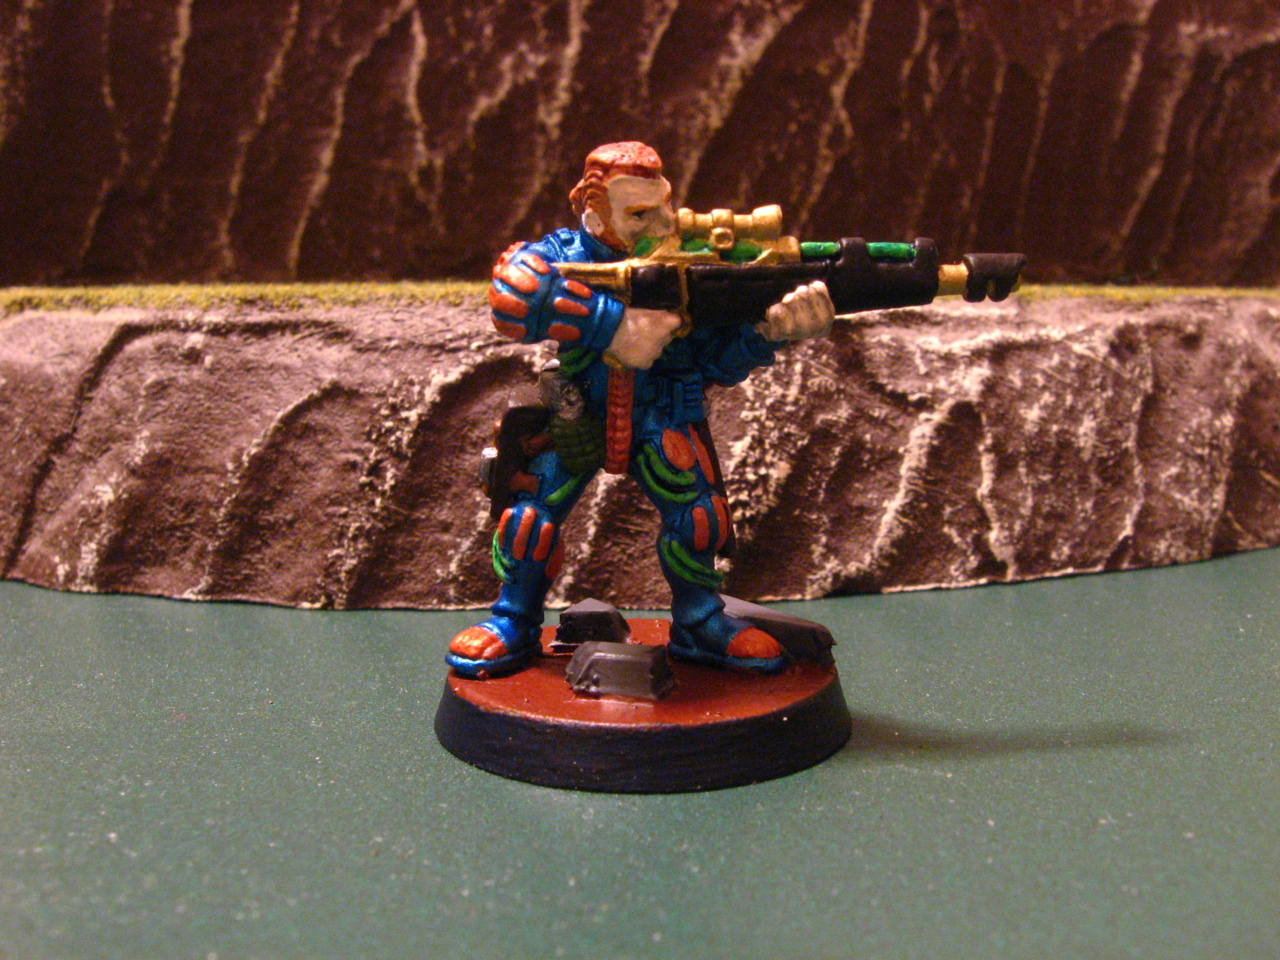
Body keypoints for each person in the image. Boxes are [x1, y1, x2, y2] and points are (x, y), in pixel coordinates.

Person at [448, 142, 834, 678]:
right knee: (529, 520)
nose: (661, 224)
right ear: (593, 209)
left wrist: (770, 334)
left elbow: (716, 361)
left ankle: (699, 622)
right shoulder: (567, 251)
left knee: (699, 520)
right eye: (638, 215)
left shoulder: (690, 257)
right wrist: (611, 326)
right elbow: (513, 294)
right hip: (578, 413)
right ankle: (513, 619)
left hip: (663, 411)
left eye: (664, 207)